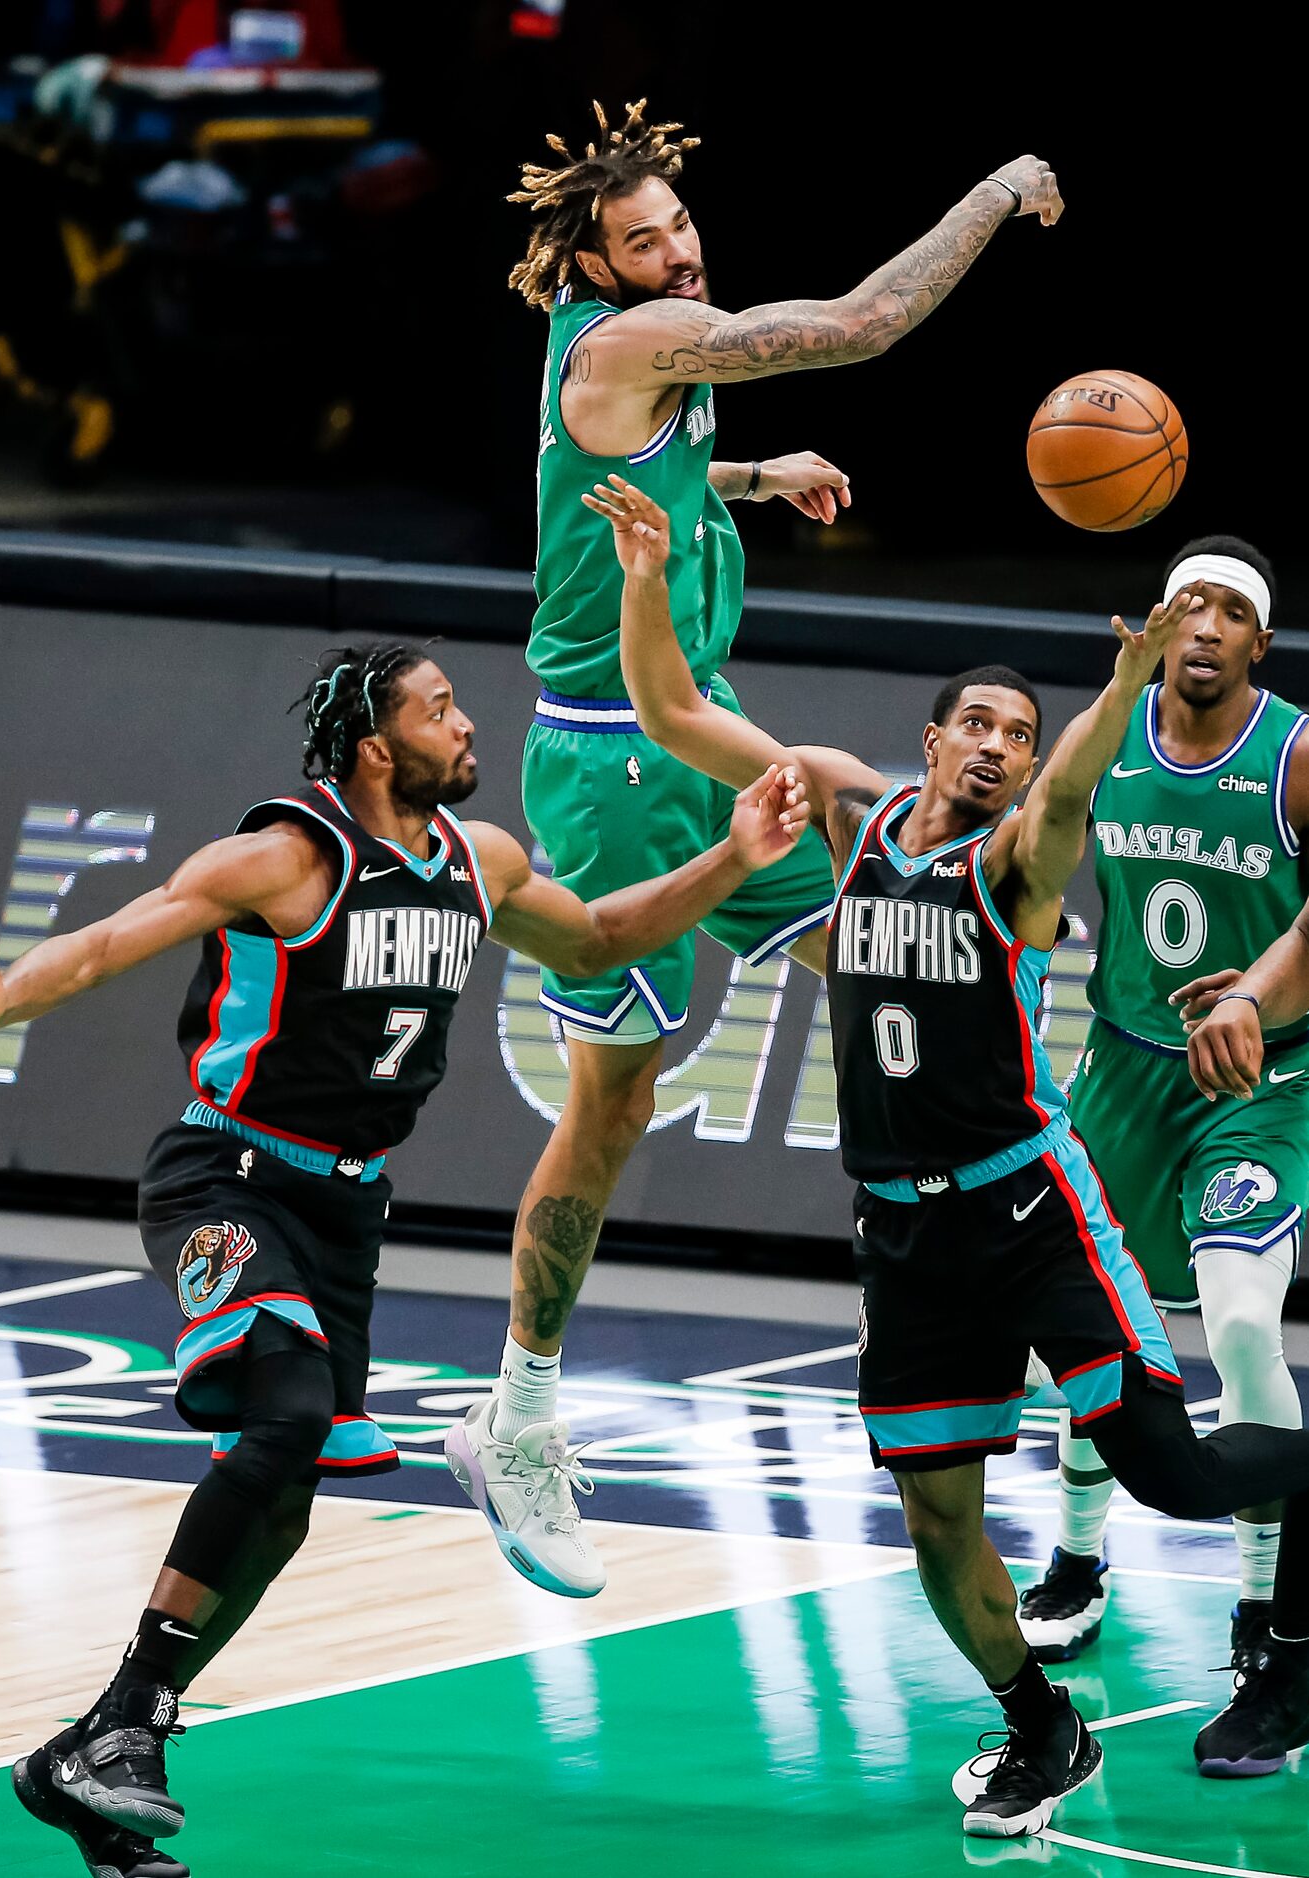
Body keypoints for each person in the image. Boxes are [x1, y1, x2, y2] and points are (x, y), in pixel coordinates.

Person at [0, 640, 808, 1878]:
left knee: (283, 1501)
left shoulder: (478, 861)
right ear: (382, 746)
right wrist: (1, 1000)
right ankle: (125, 1727)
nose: (467, 724)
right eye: (440, 710)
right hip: (229, 1174)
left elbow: (600, 942)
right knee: (281, 1411)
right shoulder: (291, 857)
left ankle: (94, 1753)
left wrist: (735, 857)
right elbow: (126, 932)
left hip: (347, 1211)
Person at [590, 475, 1309, 1838]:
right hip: (903, 1236)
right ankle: (1044, 1726)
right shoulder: (851, 835)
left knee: (1172, 1467)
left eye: (1016, 735)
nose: (994, 747)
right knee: (934, 1525)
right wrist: (640, 574)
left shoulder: (1024, 859)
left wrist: (1122, 676)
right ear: (927, 739)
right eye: (973, 724)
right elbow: (675, 714)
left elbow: (1083, 774)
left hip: (1031, 1207)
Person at [453, 100, 1063, 1599]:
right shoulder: (624, 344)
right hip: (610, 761)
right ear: (591, 263)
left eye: (680, 223)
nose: (678, 247)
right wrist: (993, 185)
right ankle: (514, 1410)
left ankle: (1008, 1303)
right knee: (613, 1106)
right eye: (644, 236)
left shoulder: (644, 354)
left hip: (697, 713)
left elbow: (616, 487)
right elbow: (861, 322)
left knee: (899, 938)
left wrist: (738, 475)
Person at [1012, 538, 1309, 1769]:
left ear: (1257, 644)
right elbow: (1040, 832)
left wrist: (1256, 1000)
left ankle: (1264, 1608)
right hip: (1125, 1067)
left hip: (1262, 1078)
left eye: (1229, 611)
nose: (1203, 624)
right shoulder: (1113, 723)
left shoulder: (1293, 753)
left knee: (1242, 1330)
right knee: (1087, 1334)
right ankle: (1080, 1556)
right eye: (1188, 602)